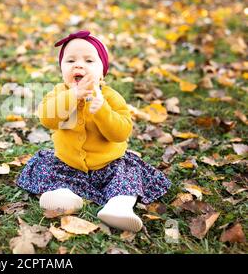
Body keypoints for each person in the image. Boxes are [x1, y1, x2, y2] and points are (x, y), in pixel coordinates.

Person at [16, 30, 171, 232]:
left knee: (127, 174)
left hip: (108, 165)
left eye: (89, 61)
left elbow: (121, 133)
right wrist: (72, 96)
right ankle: (65, 197)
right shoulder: (59, 93)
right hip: (68, 163)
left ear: (102, 71)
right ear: (61, 68)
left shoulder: (111, 97)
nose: (78, 65)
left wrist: (103, 111)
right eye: (70, 60)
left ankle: (119, 207)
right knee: (47, 168)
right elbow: (47, 118)